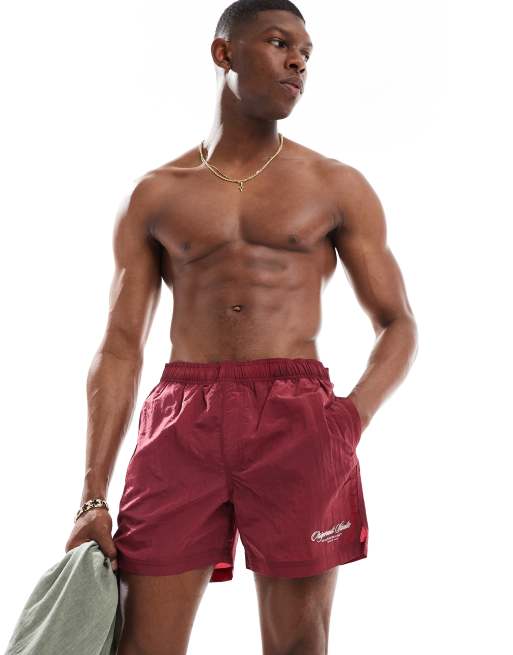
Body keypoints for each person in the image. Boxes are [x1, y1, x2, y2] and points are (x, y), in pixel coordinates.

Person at [64, 0, 418, 653]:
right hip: (181, 419)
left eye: (306, 53)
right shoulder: (156, 193)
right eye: (280, 43)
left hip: (297, 417)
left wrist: (349, 420)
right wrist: (92, 496)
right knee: (141, 646)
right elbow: (119, 346)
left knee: (298, 645)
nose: (298, 62)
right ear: (222, 53)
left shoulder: (335, 185)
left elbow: (398, 324)